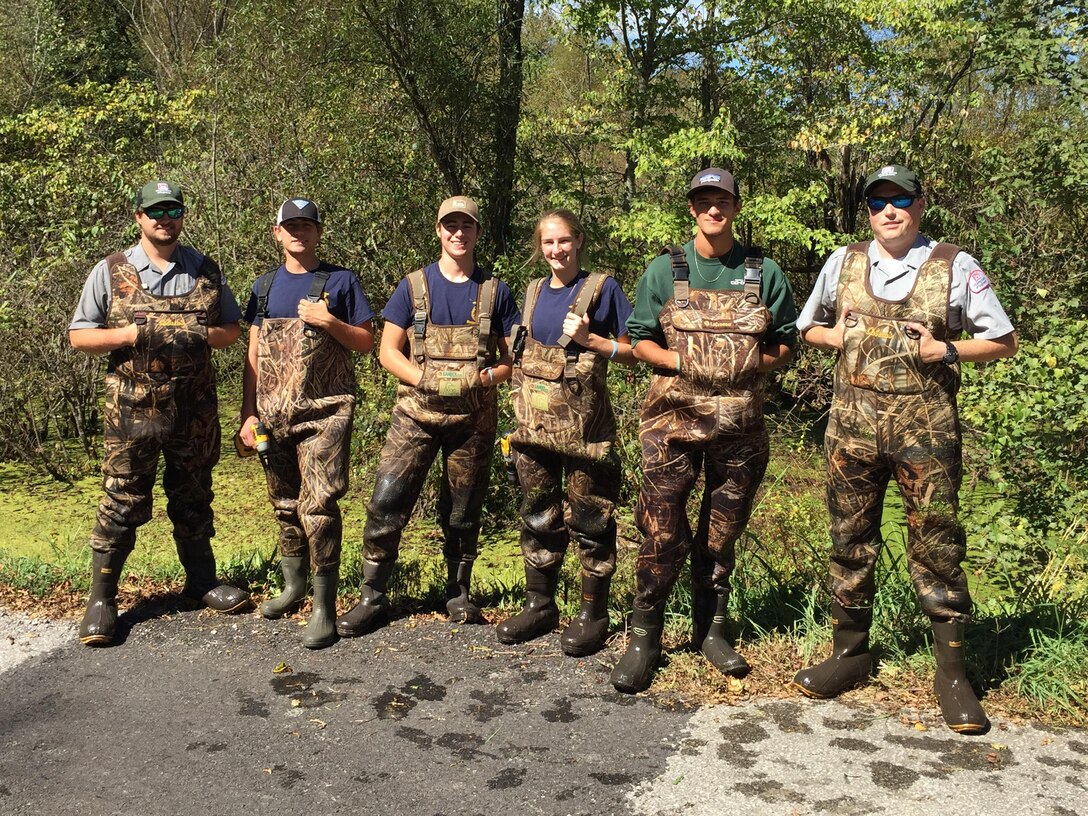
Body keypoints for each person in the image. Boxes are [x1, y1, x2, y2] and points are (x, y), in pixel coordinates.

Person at [792, 164, 1018, 734]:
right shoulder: (842, 263)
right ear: (866, 210)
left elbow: (1003, 341)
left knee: (936, 543)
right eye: (878, 202)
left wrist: (948, 352)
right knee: (848, 537)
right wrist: (834, 335)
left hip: (927, 435)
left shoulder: (955, 266)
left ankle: (952, 675)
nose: (889, 211)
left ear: (920, 205)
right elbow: (806, 328)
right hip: (851, 431)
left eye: (901, 200)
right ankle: (850, 652)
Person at [611, 168, 798, 693]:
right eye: (704, 201)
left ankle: (711, 630)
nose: (713, 209)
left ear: (736, 208)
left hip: (740, 426)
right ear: (692, 209)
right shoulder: (665, 271)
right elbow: (639, 340)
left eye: (723, 201)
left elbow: (786, 344)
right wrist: (685, 360)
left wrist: (743, 362)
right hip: (671, 425)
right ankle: (644, 635)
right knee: (661, 530)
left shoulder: (764, 272)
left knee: (721, 533)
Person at [70, 180, 250, 646]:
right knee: (122, 499)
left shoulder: (206, 270)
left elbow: (231, 328)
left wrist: (199, 335)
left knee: (194, 493)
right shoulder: (110, 272)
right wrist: (127, 335)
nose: (163, 218)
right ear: (139, 218)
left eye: (172, 210)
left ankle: (202, 582)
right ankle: (102, 600)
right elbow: (80, 336)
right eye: (154, 211)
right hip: (133, 412)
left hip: (195, 409)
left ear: (181, 216)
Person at [336, 196, 520, 636]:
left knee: (462, 511)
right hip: (414, 416)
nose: (458, 233)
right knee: (386, 503)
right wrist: (424, 380)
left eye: (467, 226)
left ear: (477, 232)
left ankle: (458, 592)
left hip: (473, 421)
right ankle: (372, 596)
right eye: (450, 225)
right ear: (438, 231)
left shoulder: (495, 291)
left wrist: (486, 379)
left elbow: (511, 362)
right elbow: (386, 352)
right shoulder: (413, 287)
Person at [497, 209, 637, 656]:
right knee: (538, 513)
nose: (556, 251)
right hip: (533, 430)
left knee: (591, 520)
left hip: (586, 435)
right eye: (548, 243)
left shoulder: (602, 288)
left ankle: (593, 614)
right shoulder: (534, 291)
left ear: (578, 241)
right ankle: (540, 606)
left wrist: (593, 339)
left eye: (563, 242)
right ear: (541, 247)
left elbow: (636, 350)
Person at [238, 198, 375, 649]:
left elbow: (366, 342)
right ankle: (293, 587)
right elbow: (253, 354)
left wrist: (329, 320)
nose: (298, 232)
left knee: (318, 508)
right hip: (272, 413)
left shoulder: (341, 280)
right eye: (290, 226)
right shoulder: (263, 286)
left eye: (306, 225)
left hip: (325, 413)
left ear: (318, 232)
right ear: (277, 233)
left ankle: (323, 606)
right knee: (284, 504)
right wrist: (247, 412)